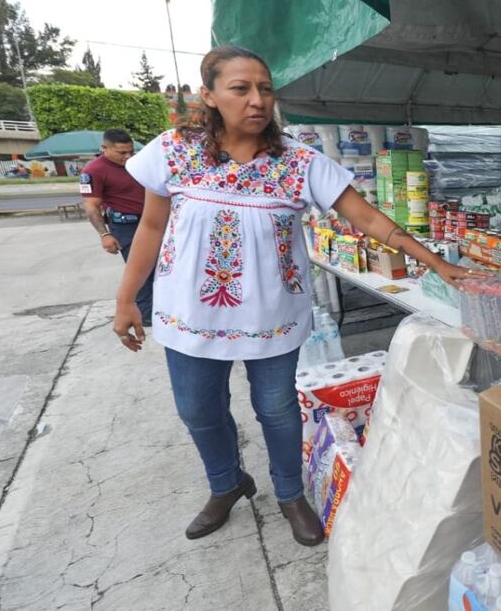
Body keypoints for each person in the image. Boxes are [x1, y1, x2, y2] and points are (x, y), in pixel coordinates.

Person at [112, 45, 478, 546]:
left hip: (272, 316)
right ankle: (227, 484)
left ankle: (289, 493)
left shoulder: (299, 162)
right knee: (198, 409)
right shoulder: (173, 150)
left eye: (264, 88)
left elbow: (365, 217)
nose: (256, 100)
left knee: (279, 410)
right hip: (189, 315)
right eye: (240, 89)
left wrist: (435, 262)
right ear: (210, 95)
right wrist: (126, 298)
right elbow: (152, 226)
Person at [80, 129, 153, 325]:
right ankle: (146, 315)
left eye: (130, 151)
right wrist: (105, 234)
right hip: (125, 226)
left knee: (160, 268)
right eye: (122, 153)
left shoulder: (137, 163)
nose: (127, 156)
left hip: (151, 221)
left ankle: (160, 309)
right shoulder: (93, 170)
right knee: (141, 271)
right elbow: (91, 206)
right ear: (104, 148)